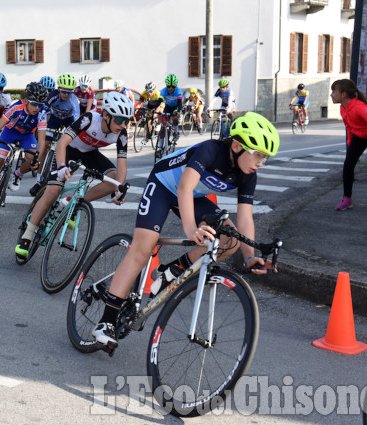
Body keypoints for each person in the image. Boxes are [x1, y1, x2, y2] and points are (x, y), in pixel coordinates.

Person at [91, 112, 279, 348]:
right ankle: (105, 321)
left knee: (229, 240)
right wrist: (191, 229)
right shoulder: (210, 150)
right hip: (163, 185)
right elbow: (184, 187)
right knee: (143, 248)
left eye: (266, 158)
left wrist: (250, 256)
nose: (261, 162)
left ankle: (169, 272)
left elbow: (245, 218)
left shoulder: (248, 175)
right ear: (237, 145)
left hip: (193, 196)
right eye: (258, 155)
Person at [16, 91, 134, 258]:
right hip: (68, 150)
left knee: (114, 179)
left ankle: (76, 202)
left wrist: (119, 188)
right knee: (53, 191)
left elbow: (122, 165)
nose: (123, 125)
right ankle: (27, 236)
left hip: (89, 153)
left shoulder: (121, 133)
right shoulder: (90, 119)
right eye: (120, 120)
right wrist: (62, 165)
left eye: (126, 121)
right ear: (106, 115)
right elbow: (62, 143)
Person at [0, 82, 49, 215]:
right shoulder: (16, 107)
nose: (37, 108)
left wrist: (37, 159)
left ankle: (17, 174)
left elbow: (41, 140)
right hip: (9, 134)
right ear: (27, 101)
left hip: (27, 136)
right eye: (35, 104)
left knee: (32, 160)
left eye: (40, 105)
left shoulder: (41, 113)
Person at [330, 79, 367, 212]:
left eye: (334, 91)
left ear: (343, 94)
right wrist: (350, 146)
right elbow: (349, 128)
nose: (331, 94)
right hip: (360, 136)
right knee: (348, 164)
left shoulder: (358, 107)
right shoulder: (343, 108)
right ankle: (347, 199)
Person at [28, 74, 80, 196]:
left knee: (68, 144)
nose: (66, 95)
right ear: (58, 89)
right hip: (54, 119)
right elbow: (43, 111)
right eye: (64, 92)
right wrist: (41, 126)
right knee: (45, 144)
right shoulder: (52, 96)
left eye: (69, 92)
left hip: (68, 120)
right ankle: (38, 180)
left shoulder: (74, 100)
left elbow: (76, 119)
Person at [158, 73, 183, 147]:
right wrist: (154, 109)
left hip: (176, 107)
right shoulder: (164, 91)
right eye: (169, 86)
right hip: (168, 107)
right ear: (166, 85)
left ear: (176, 86)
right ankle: (160, 148)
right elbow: (159, 101)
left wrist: (178, 111)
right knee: (163, 126)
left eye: (173, 87)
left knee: (175, 118)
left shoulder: (178, 91)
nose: (171, 88)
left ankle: (176, 132)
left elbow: (179, 103)